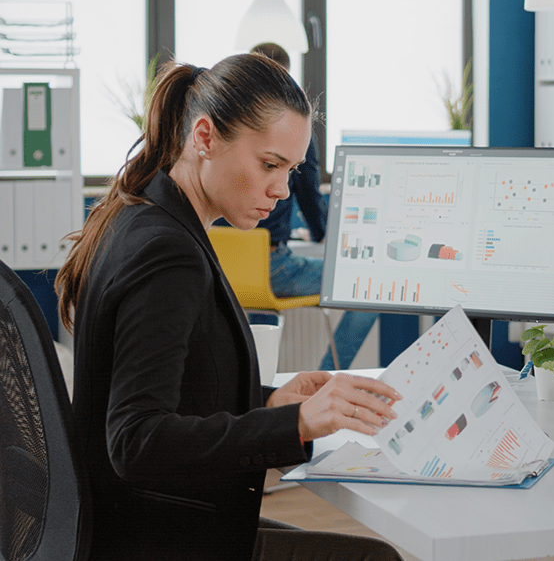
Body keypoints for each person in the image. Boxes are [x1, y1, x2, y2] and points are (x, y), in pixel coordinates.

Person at [55, 54, 403, 561]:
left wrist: (269, 403)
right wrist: (297, 424)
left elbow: (178, 388)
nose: (282, 191)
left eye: (291, 170)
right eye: (269, 165)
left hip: (141, 521)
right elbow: (136, 440)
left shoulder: (142, 216)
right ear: (204, 137)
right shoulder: (167, 252)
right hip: (156, 536)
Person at [244, 42, 378, 371]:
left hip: (227, 268)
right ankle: (325, 375)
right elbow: (307, 192)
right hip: (272, 267)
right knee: (370, 285)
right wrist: (321, 233)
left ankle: (257, 379)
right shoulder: (293, 131)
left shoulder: (236, 129)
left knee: (259, 309)